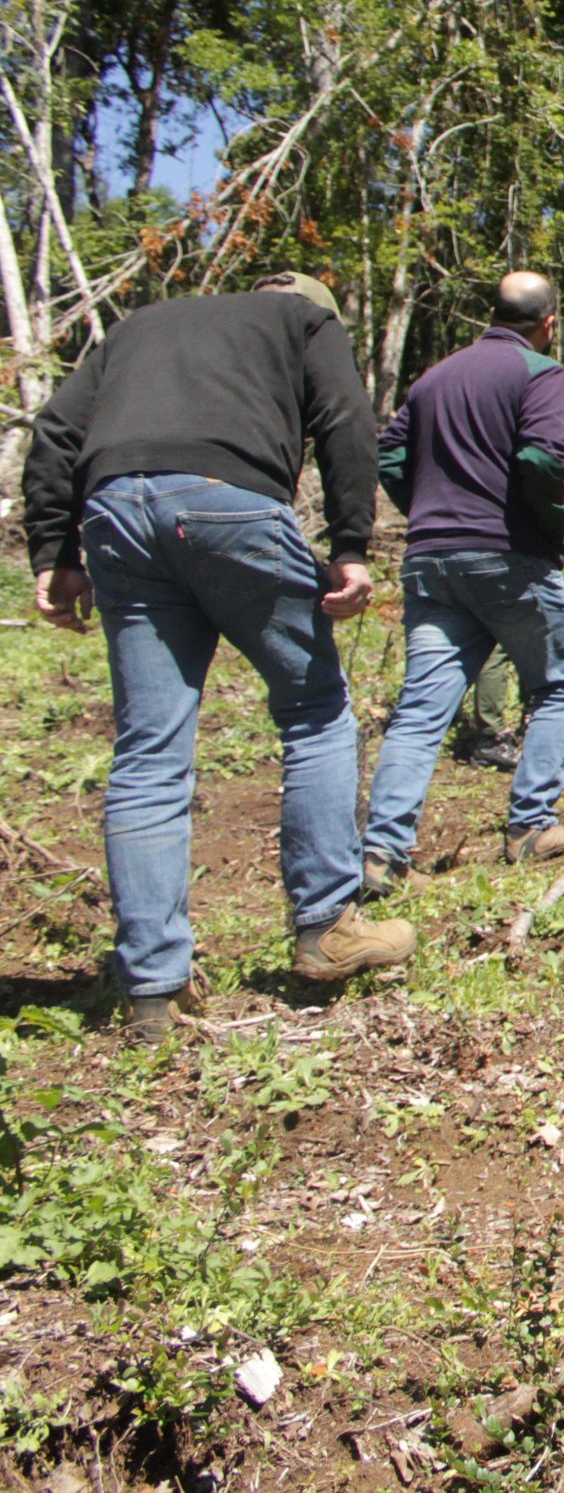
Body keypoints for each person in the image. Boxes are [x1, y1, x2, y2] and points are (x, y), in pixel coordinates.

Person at [23, 270, 415, 1038]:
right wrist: (349, 544)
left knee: (148, 749)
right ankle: (327, 923)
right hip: (225, 496)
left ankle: (152, 986)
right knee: (313, 709)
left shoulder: (140, 322)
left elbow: (57, 429)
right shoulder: (306, 320)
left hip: (116, 511)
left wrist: (53, 548)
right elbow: (345, 420)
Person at [363, 271, 564, 893]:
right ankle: (529, 828)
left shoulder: (435, 376)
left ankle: (382, 852)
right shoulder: (539, 372)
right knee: (559, 684)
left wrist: (428, 512)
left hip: (431, 560)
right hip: (507, 556)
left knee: (418, 712)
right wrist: (550, 533)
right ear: (549, 322)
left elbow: (389, 455)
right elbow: (543, 458)